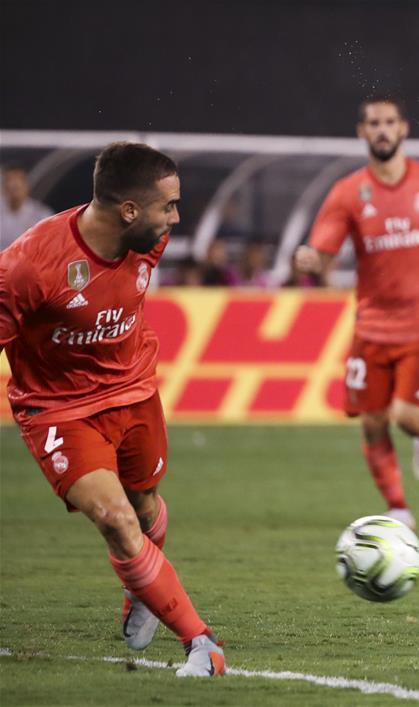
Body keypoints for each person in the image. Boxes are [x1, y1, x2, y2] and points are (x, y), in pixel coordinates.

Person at [0, 143, 225, 677]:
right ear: (128, 210)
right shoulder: (30, 266)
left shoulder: (150, 239)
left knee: (144, 510)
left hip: (135, 392)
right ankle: (203, 645)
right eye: (167, 206)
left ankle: (143, 586)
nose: (175, 218)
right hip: (59, 411)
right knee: (117, 518)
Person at [295, 96, 419, 531]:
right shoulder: (347, 193)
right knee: (373, 422)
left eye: (389, 122)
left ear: (403, 129)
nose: (382, 129)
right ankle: (398, 508)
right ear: (362, 132)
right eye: (373, 123)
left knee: (406, 419)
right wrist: (309, 261)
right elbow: (322, 252)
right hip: (372, 327)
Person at [0, 165, 53, 250]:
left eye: (19, 181)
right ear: (4, 187)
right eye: (9, 180)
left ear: (27, 186)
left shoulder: (41, 215)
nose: (14, 184)